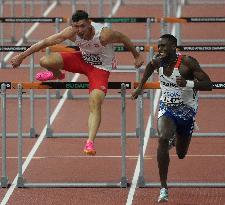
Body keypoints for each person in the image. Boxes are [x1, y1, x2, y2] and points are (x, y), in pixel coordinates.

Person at [10, 10, 144, 156]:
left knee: (95, 100)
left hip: (99, 69)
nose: (79, 31)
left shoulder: (104, 35)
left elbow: (124, 38)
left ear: (89, 23)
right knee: (45, 61)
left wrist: (136, 56)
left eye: (82, 26)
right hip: (81, 60)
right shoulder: (71, 32)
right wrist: (21, 56)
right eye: (76, 27)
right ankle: (57, 74)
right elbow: (45, 42)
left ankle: (89, 142)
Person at [131, 34, 212, 203]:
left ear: (174, 47)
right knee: (162, 138)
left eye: (163, 46)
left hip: (187, 112)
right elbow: (149, 68)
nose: (159, 49)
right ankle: (163, 188)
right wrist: (140, 87)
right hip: (166, 108)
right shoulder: (158, 61)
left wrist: (188, 84)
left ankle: (175, 139)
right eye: (158, 46)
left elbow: (208, 84)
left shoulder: (187, 62)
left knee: (181, 154)